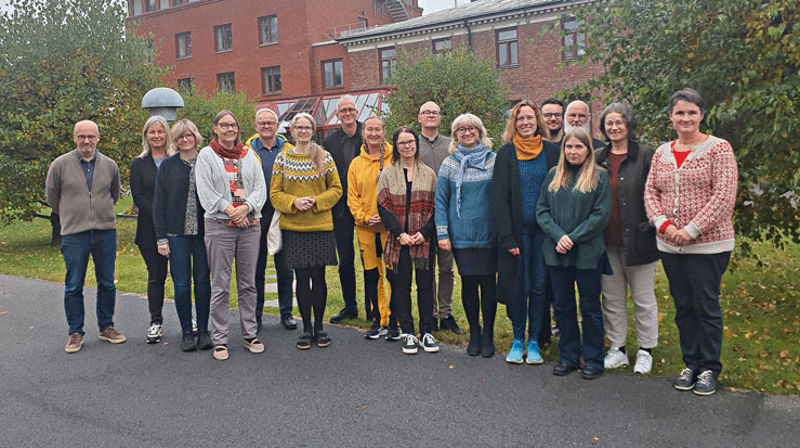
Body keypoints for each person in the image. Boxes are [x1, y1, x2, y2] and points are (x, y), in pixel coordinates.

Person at [644, 88, 738, 396]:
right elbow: (651, 193)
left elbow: (724, 196)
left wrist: (692, 230)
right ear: (671, 117)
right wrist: (665, 225)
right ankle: (691, 363)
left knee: (705, 306)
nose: (685, 118)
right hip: (670, 246)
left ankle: (709, 367)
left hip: (707, 246)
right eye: (679, 113)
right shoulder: (662, 152)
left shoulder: (718, 149)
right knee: (683, 306)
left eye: (691, 112)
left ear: (701, 115)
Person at [536, 127, 611, 380]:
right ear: (563, 150)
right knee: (563, 305)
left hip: (587, 252)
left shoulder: (599, 178)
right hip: (557, 252)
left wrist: (573, 238)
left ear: (588, 150)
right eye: (569, 147)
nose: (573, 151)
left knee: (590, 306)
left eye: (579, 147)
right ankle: (568, 355)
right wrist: (559, 236)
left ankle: (593, 358)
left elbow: (600, 215)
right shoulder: (554, 176)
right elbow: (542, 211)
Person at [46, 120, 126, 352]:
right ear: (74, 138)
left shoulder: (110, 165)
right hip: (74, 234)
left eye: (91, 136)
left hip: (105, 232)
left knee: (107, 282)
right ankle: (75, 331)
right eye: (82, 136)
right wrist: (73, 214)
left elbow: (114, 193)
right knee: (73, 285)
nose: (86, 141)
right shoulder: (60, 165)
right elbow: (53, 197)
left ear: (98, 138)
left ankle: (106, 327)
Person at [492, 100, 560, 365]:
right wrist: (507, 237)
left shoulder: (552, 152)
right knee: (519, 287)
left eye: (530, 117)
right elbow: (498, 199)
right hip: (517, 235)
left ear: (538, 120)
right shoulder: (506, 153)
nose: (525, 122)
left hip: (545, 234)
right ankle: (518, 338)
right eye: (520, 118)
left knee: (541, 286)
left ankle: (534, 341)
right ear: (514, 123)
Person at [196, 110, 267, 361]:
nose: (230, 129)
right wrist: (230, 210)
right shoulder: (206, 156)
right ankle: (220, 340)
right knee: (221, 285)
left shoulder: (249, 156)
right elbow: (206, 192)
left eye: (233, 125)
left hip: (249, 225)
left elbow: (260, 189)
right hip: (220, 227)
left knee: (248, 284)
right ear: (215, 128)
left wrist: (246, 208)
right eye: (224, 125)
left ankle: (250, 334)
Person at [595, 103, 659, 374]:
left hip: (640, 239)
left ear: (628, 125)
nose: (614, 127)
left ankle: (646, 350)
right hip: (606, 240)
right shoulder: (598, 157)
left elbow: (657, 191)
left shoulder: (645, 155)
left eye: (619, 122)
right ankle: (617, 348)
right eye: (609, 123)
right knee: (612, 298)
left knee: (643, 298)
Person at [270, 113, 342, 350]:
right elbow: (275, 195)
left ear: (313, 130)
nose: (303, 131)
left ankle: (320, 327)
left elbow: (336, 189)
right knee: (301, 279)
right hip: (294, 228)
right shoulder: (282, 158)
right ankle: (306, 328)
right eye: (298, 127)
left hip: (320, 226)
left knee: (319, 278)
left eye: (307, 127)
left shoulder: (325, 156)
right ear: (292, 131)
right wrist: (293, 202)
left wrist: (316, 201)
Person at [435, 113, 497, 357]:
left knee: (489, 286)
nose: (467, 132)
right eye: (461, 129)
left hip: (489, 234)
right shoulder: (449, 164)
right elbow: (440, 201)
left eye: (472, 128)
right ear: (455, 135)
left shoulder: (494, 160)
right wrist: (443, 233)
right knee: (469, 284)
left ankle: (489, 335)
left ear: (480, 132)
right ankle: (475, 333)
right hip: (461, 236)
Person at [152, 119, 212, 352]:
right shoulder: (168, 166)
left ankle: (205, 330)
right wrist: (161, 237)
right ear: (175, 141)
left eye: (189, 135)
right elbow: (159, 203)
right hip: (176, 234)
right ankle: (187, 331)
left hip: (204, 233)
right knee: (181, 284)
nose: (185, 140)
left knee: (203, 282)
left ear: (196, 136)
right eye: (179, 137)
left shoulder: (207, 162)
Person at [377, 126, 439, 354]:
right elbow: (383, 206)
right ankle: (408, 333)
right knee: (401, 287)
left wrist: (424, 232)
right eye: (402, 143)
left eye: (410, 141)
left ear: (416, 144)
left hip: (423, 240)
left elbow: (435, 208)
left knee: (425, 286)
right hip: (398, 240)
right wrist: (399, 234)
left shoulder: (429, 173)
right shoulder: (388, 173)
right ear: (396, 146)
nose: (407, 146)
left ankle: (426, 331)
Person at [247, 107, 297, 332]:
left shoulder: (289, 149)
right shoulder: (246, 151)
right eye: (262, 123)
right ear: (256, 126)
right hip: (256, 214)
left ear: (277, 126)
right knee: (255, 268)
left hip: (282, 213)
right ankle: (255, 315)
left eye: (270, 123)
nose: (266, 126)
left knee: (285, 267)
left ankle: (286, 313)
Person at [347, 116, 395, 339]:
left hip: (391, 228)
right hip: (366, 228)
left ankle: (395, 317)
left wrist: (389, 217)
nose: (374, 133)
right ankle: (378, 318)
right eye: (369, 129)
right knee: (372, 275)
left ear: (383, 131)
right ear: (363, 133)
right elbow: (352, 197)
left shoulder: (394, 157)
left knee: (394, 274)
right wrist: (365, 217)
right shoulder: (357, 164)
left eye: (378, 129)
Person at [417, 101, 462, 334]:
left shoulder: (451, 145)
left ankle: (445, 313)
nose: (431, 115)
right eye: (427, 112)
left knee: (446, 268)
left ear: (440, 117)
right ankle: (431, 314)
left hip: (447, 216)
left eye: (435, 112)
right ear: (419, 118)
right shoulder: (412, 145)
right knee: (426, 268)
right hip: (421, 216)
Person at [130, 115, 171, 344]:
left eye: (160, 131)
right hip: (149, 231)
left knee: (183, 277)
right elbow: (139, 197)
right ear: (146, 135)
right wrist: (160, 213)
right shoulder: (139, 163)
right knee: (156, 276)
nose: (156, 136)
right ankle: (156, 321)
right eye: (152, 132)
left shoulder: (176, 159)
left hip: (177, 229)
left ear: (167, 134)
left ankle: (190, 319)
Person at [324, 95, 361, 323]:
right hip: (341, 210)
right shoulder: (328, 143)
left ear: (356, 112)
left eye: (351, 109)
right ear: (337, 115)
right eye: (343, 110)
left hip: (368, 207)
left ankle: (376, 307)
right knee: (345, 260)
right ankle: (351, 306)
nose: (347, 113)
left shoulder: (370, 135)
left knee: (373, 259)